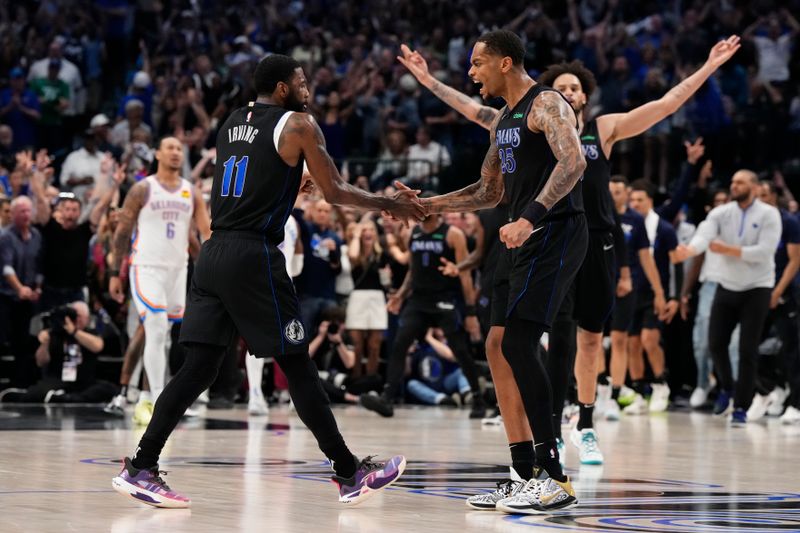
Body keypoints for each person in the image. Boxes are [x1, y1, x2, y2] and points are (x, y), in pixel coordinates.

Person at [397, 35, 741, 468]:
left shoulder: (598, 127)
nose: (570, 92)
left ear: (581, 96)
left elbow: (667, 104)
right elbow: (481, 153)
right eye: (563, 85)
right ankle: (538, 452)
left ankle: (579, 429)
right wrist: (427, 85)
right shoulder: (510, 117)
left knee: (586, 339)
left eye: (575, 88)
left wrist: (709, 66)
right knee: (525, 341)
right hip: (531, 233)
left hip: (584, 237)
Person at [111, 54, 423, 508]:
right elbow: (335, 189)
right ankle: (349, 472)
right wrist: (389, 205)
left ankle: (141, 464)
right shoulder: (299, 123)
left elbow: (243, 186)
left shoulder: (233, 122)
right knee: (296, 363)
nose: (308, 88)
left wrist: (290, 187)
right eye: (301, 81)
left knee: (197, 368)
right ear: (282, 88)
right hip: (253, 257)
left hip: (215, 253)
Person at [402, 30, 587, 514]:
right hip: (523, 234)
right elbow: (488, 191)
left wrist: (532, 217)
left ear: (505, 63)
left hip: (556, 229)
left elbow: (574, 162)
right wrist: (425, 205)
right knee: (495, 345)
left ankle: (554, 476)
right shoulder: (504, 120)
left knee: (521, 342)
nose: (471, 72)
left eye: (477, 63)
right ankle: (523, 472)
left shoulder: (546, 104)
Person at [107, 137, 211, 425]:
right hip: (146, 267)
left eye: (180, 149)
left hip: (178, 271)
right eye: (171, 148)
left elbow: (204, 233)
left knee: (164, 336)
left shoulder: (192, 192)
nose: (176, 153)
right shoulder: (143, 188)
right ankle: (159, 402)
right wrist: (116, 272)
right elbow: (122, 231)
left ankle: (146, 399)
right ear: (158, 154)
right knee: (153, 328)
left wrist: (212, 267)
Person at [673, 170, 782, 424]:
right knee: (715, 344)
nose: (734, 185)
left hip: (757, 287)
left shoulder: (769, 214)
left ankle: (742, 406)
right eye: (732, 181)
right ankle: (727, 388)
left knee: (746, 348)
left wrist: (729, 250)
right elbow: (704, 235)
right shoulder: (721, 213)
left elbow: (765, 252)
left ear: (754, 187)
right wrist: (688, 250)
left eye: (741, 182)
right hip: (726, 284)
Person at [360, 202, 485, 419]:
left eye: (427, 208)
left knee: (460, 349)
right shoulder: (414, 233)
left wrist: (470, 311)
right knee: (399, 344)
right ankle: (387, 399)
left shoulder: (453, 234)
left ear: (436, 211)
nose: (423, 212)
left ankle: (478, 398)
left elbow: (465, 274)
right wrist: (400, 295)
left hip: (445, 298)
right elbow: (412, 271)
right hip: (419, 300)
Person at [625, 179, 683, 413]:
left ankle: (661, 384)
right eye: (633, 200)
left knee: (650, 340)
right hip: (631, 292)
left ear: (650, 201)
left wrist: (676, 296)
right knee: (632, 344)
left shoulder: (664, 228)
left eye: (640, 200)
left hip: (655, 293)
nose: (636, 204)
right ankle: (639, 393)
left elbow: (677, 264)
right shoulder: (628, 224)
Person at [747, 181, 800, 422]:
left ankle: (795, 403)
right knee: (747, 345)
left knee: (790, 349)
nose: (761, 200)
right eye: (758, 196)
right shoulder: (750, 221)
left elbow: (794, 260)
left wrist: (777, 292)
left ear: (775, 197)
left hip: (784, 293)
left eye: (766, 196)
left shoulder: (788, 221)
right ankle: (768, 389)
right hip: (755, 289)